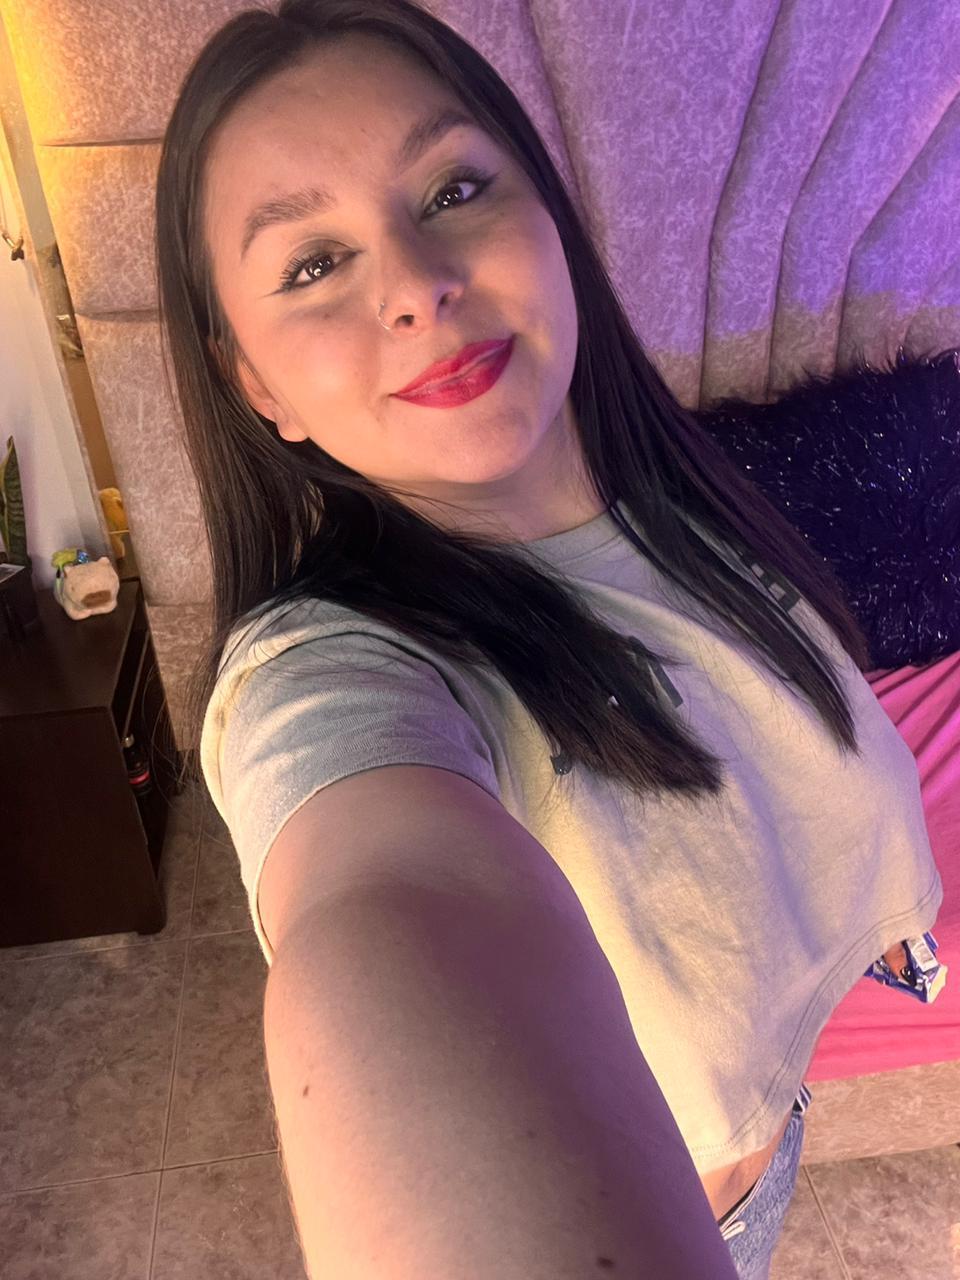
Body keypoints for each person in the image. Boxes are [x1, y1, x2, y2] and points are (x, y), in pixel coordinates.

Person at [154, 2, 943, 1276]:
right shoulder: (331, 668)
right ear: (255, 383)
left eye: (453, 188)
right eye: (312, 264)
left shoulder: (690, 501)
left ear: (549, 214)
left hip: (764, 1131)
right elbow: (385, 900)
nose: (416, 285)